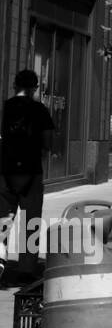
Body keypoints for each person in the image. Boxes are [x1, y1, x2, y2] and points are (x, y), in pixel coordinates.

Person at [0, 70, 56, 284]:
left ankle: (0, 257)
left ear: (15, 85)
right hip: (31, 173)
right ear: (35, 88)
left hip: (5, 172)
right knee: (31, 221)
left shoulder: (5, 107)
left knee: (3, 219)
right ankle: (26, 268)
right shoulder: (39, 109)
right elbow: (49, 141)